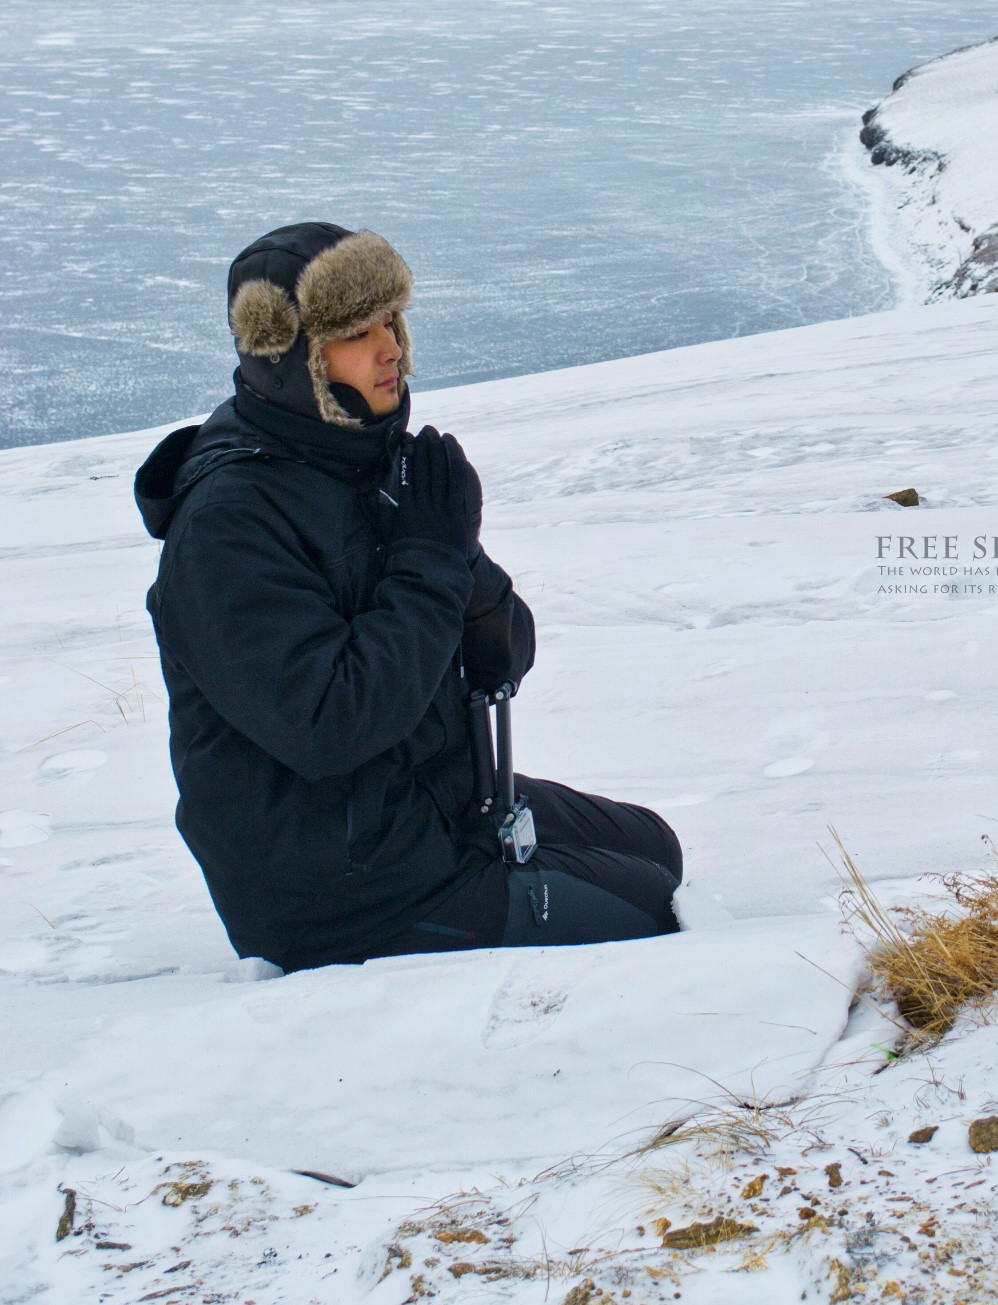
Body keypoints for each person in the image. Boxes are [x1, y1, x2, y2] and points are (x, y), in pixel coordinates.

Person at [134, 221, 682, 973]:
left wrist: (460, 554)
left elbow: (501, 659)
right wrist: (428, 559)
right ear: (292, 357)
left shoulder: (358, 459)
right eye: (358, 331)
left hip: (429, 798)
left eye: (392, 319)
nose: (391, 347)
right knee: (651, 904)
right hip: (341, 884)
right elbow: (333, 727)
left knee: (657, 849)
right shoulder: (229, 525)